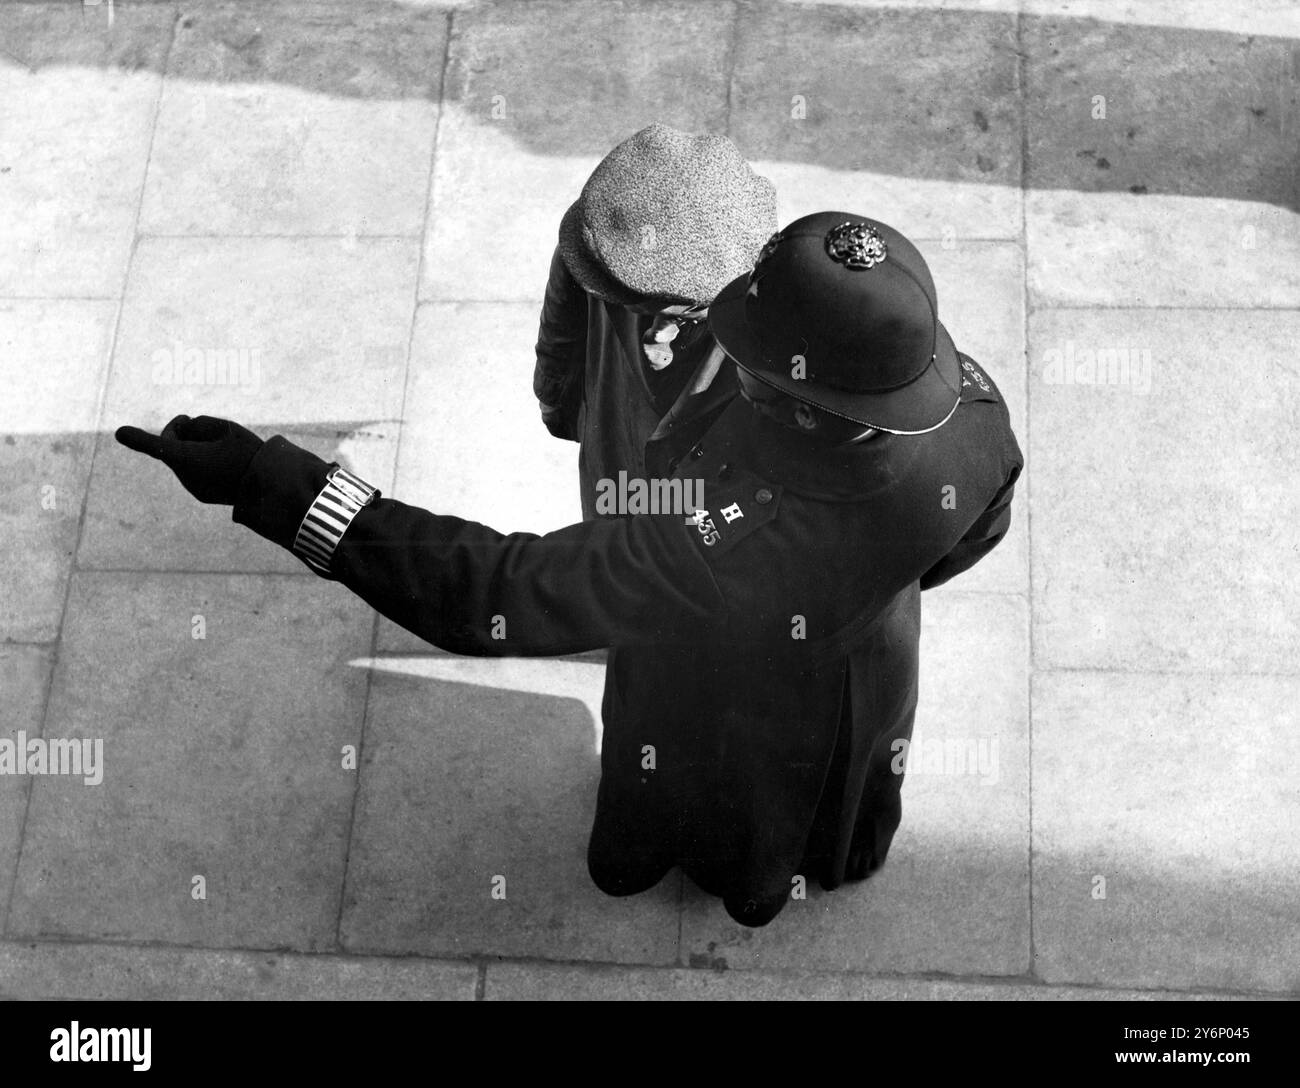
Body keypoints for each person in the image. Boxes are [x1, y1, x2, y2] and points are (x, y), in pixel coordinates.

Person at [116, 212, 1023, 928]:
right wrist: (858, 595)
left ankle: (716, 869)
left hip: (716, 696)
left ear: (805, 403)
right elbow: (966, 543)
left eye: (754, 361)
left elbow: (497, 591)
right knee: (830, 790)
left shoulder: (707, 547)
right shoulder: (975, 416)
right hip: (871, 672)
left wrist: (274, 484)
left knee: (719, 798)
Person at [533, 122, 777, 518]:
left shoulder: (777, 309)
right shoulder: (592, 257)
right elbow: (558, 344)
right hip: (617, 468)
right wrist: (557, 408)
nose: (656, 338)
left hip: (703, 504)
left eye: (687, 312)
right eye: (642, 309)